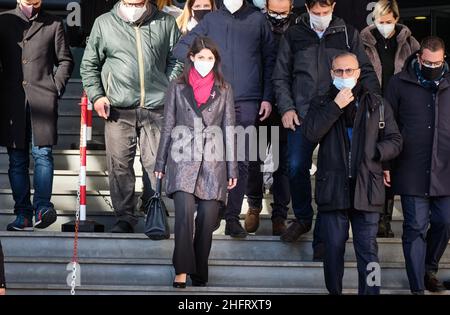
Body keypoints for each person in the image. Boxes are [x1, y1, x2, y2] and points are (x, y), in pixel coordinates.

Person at [272, 0, 380, 259]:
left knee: (332, 174)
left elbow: (364, 70)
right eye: (315, 12)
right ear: (307, 9)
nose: (321, 17)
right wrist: (286, 107)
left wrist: (376, 101)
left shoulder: (347, 33)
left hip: (339, 113)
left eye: (325, 12)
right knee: (296, 165)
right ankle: (302, 218)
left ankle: (324, 236)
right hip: (303, 113)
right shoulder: (294, 34)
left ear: (333, 6)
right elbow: (281, 75)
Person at [174, 0, 276, 238]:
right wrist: (203, 73)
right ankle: (213, 212)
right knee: (212, 158)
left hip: (247, 100)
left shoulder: (258, 20)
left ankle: (232, 218)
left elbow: (271, 61)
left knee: (240, 161)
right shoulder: (211, 20)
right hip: (215, 99)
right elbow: (180, 49)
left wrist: (267, 97)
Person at [302, 52, 402, 295]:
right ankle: (334, 291)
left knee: (368, 251)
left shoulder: (377, 104)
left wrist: (376, 152)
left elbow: (395, 140)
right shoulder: (322, 103)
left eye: (349, 71)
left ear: (358, 73)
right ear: (331, 73)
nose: (344, 76)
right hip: (333, 188)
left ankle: (371, 293)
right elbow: (311, 134)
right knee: (333, 249)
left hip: (367, 186)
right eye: (339, 71)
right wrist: (337, 106)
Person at [80, 0, 183, 233]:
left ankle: (154, 207)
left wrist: (167, 86)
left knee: (156, 163)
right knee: (119, 165)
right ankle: (125, 216)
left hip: (156, 107)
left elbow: (178, 58)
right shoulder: (104, 23)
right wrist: (97, 97)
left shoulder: (165, 22)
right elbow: (89, 65)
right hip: (118, 108)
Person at [154, 37, 238, 288]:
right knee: (184, 215)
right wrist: (160, 163)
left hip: (213, 163)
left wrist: (232, 168)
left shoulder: (224, 89)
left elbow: (230, 129)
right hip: (182, 160)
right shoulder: (177, 87)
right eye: (201, 57)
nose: (205, 62)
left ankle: (199, 269)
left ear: (216, 60)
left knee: (207, 219)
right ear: (191, 58)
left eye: (210, 58)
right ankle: (181, 270)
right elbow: (168, 125)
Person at [0, 0, 74, 231]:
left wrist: (55, 87)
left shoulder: (53, 23)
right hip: (12, 101)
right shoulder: (3, 21)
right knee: (17, 159)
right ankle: (22, 214)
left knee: (43, 154)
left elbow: (65, 60)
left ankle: (43, 208)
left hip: (43, 99)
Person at [385, 36, 450, 295]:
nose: (432, 66)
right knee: (414, 227)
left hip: (445, 169)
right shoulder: (399, 82)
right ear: (419, 57)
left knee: (445, 221)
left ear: (444, 59)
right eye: (427, 62)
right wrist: (386, 163)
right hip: (411, 167)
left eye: (437, 62)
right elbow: (387, 126)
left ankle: (428, 269)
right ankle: (416, 288)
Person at [360, 0, 420, 238]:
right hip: (371, 106)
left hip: (398, 108)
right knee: (374, 159)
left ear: (396, 18)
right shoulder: (363, 41)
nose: (384, 26)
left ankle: (385, 217)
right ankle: (374, 217)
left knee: (392, 162)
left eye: (388, 21)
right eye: (380, 21)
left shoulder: (409, 43)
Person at [244, 0, 297, 236]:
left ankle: (279, 215)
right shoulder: (255, 25)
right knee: (255, 160)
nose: (278, 16)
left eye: (282, 12)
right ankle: (254, 205)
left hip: (287, 105)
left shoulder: (299, 27)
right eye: (273, 11)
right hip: (259, 102)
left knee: (282, 165)